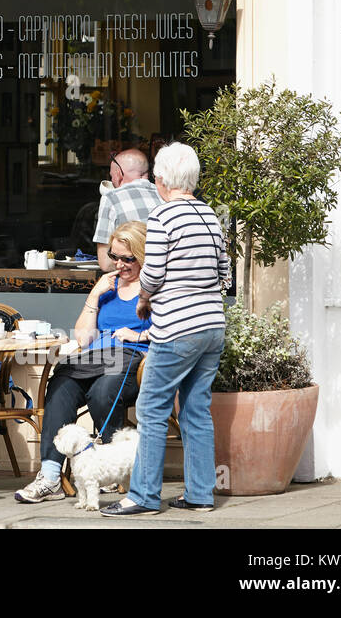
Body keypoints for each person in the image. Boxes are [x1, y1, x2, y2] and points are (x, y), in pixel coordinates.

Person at [102, 142, 228, 516]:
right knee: (196, 410)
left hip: (176, 328)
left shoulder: (162, 217)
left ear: (161, 180)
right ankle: (201, 494)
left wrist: (143, 297)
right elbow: (223, 273)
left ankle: (142, 495)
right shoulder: (209, 215)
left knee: (151, 408)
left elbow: (153, 274)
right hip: (212, 325)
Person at [15, 221, 152, 504]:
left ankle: (112, 471)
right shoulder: (107, 286)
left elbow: (169, 327)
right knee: (61, 383)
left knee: (103, 391)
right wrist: (95, 294)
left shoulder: (153, 287)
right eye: (115, 257)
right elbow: (82, 337)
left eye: (128, 259)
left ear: (143, 256)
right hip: (95, 358)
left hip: (131, 359)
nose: (120, 264)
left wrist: (137, 333)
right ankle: (50, 475)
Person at [94, 149, 161, 271]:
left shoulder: (110, 198)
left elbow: (105, 263)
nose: (112, 180)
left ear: (119, 174)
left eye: (111, 176)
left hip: (133, 281)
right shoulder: (165, 196)